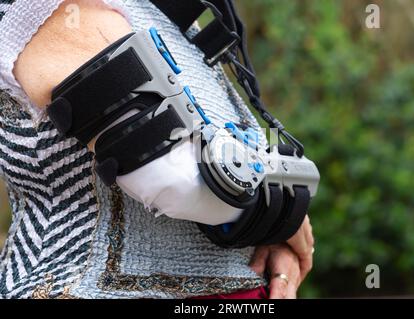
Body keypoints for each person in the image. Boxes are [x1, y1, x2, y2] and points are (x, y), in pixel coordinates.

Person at [0, 0, 314, 299]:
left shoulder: (168, 14)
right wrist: (283, 211)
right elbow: (177, 179)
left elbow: (229, 152)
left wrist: (265, 232)